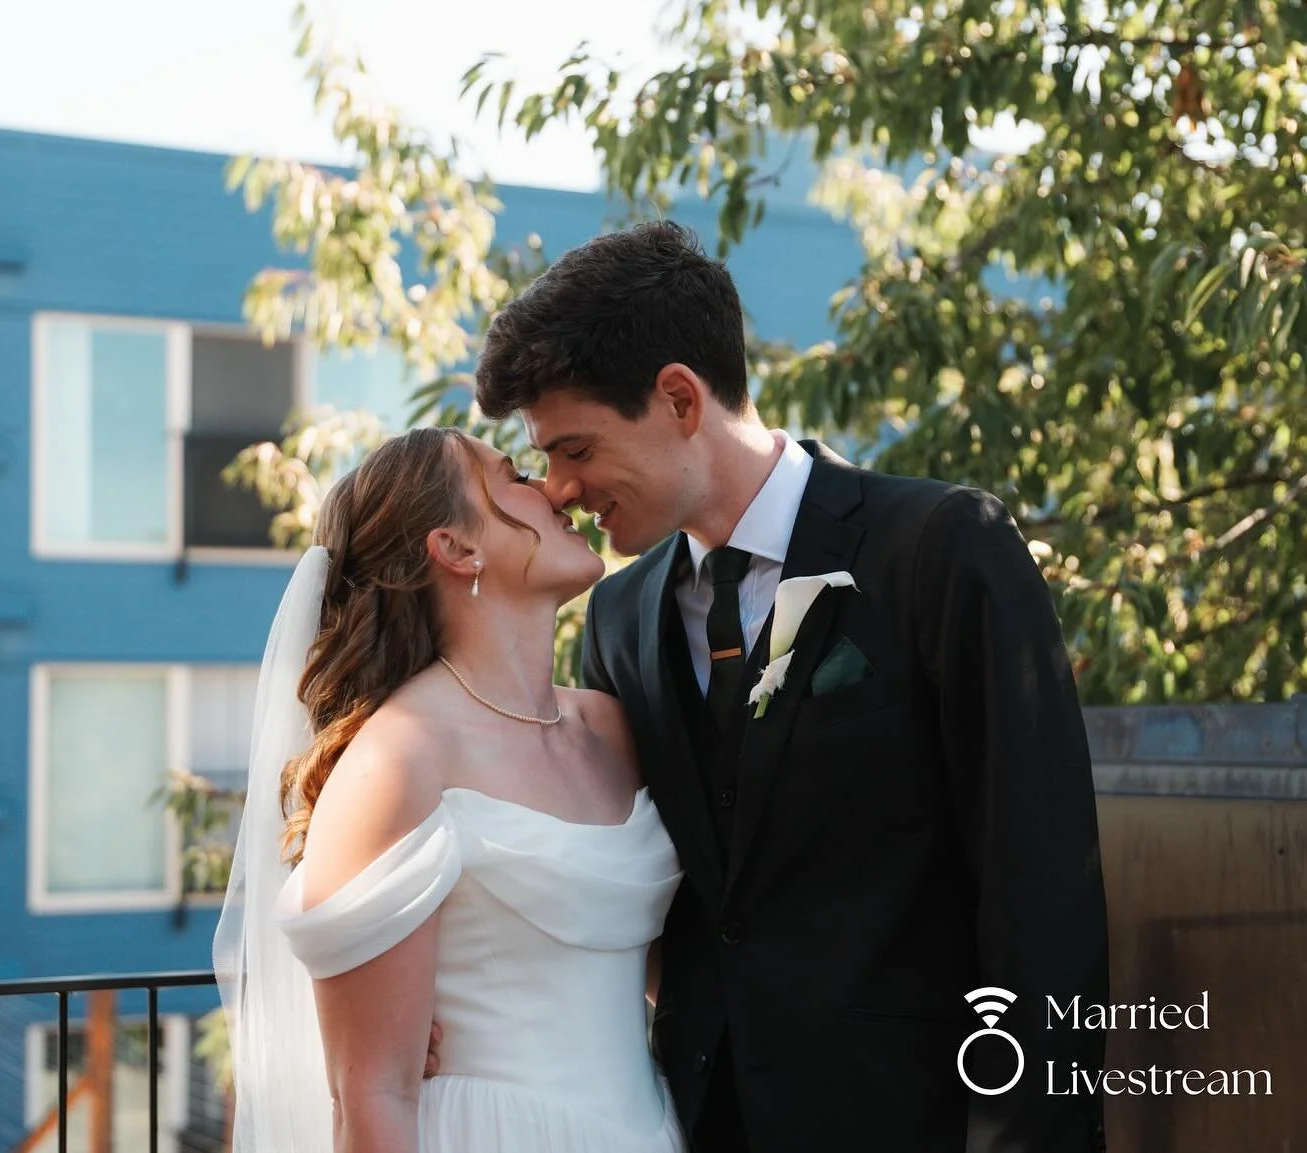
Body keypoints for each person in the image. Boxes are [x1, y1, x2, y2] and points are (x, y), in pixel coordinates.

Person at [473, 220, 1111, 1153]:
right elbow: (627, 891)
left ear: (680, 398)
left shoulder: (938, 548)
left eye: (574, 449)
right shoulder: (617, 622)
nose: (559, 489)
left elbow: (1043, 895)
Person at [213, 427, 687, 1153]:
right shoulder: (399, 759)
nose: (557, 490)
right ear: (456, 547)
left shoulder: (611, 727)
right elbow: (371, 1095)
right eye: (515, 477)